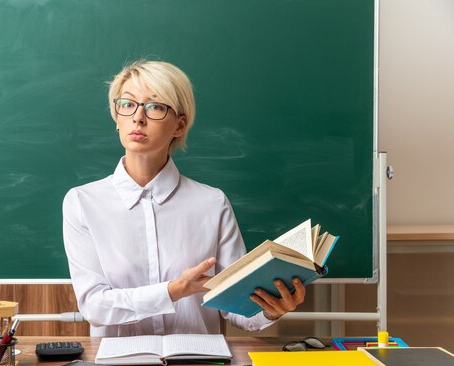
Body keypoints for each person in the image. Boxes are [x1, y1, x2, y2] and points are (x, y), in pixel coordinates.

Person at [62, 60, 305, 337]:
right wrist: (174, 291)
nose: (138, 118)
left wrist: (270, 309)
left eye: (154, 107)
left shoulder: (212, 203)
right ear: (116, 117)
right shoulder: (82, 202)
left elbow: (235, 307)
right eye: (127, 105)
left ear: (179, 125)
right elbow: (94, 306)